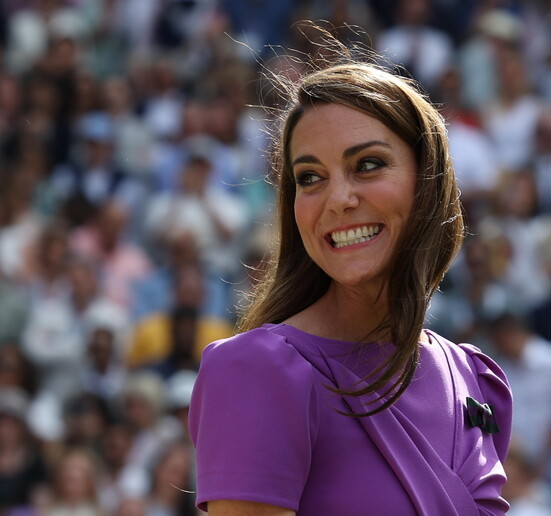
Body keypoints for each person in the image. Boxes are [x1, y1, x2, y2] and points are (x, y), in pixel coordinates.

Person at [188, 31, 513, 515]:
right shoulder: (257, 372)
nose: (338, 199)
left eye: (368, 165)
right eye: (310, 177)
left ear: (428, 181)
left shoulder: (475, 380)